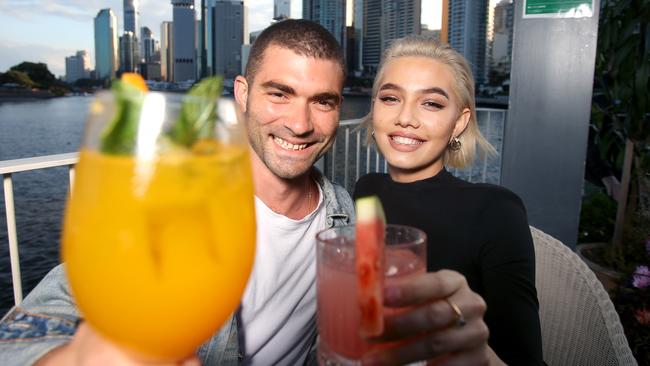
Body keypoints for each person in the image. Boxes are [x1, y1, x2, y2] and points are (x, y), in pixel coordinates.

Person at [0, 21, 495, 366]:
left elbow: (368, 333)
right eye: (278, 93)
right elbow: (25, 330)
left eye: (321, 102)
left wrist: (442, 343)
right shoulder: (182, 209)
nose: (300, 124)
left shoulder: (346, 213)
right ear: (241, 94)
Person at [353, 36, 544, 365]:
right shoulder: (366, 190)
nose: (405, 117)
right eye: (390, 98)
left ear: (459, 122)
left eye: (431, 104)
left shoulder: (495, 211)